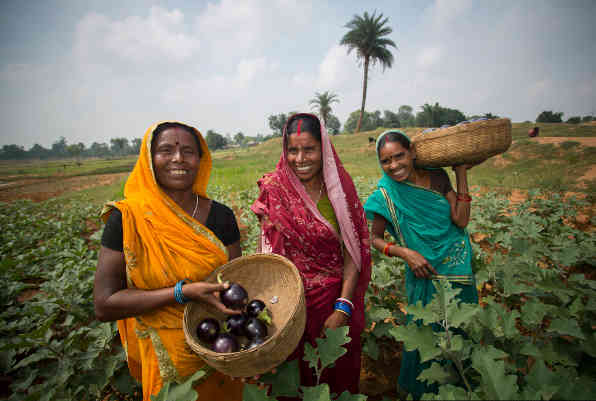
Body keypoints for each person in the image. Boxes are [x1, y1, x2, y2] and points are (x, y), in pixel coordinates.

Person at [94, 121, 244, 400]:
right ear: (149, 160)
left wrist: (248, 345)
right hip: (167, 364)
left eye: (188, 151)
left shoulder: (221, 217)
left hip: (220, 349)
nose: (178, 158)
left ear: (200, 160)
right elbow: (104, 304)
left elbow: (237, 289)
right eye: (166, 150)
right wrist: (181, 293)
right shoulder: (127, 220)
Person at [251, 113, 372, 396]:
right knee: (291, 381)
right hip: (289, 307)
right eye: (292, 150)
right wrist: (272, 311)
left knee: (335, 378)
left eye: (309, 149)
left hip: (333, 304)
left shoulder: (339, 192)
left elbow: (352, 252)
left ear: (323, 150)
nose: (300, 158)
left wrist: (343, 306)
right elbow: (269, 254)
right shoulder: (274, 190)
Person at [363, 130, 479, 399]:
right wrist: (405, 253)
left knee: (459, 332)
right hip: (422, 272)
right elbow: (374, 238)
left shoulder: (438, 177)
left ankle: (460, 392)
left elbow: (460, 221)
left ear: (412, 153)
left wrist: (461, 173)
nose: (394, 166)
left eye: (399, 156)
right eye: (386, 161)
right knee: (425, 337)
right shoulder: (385, 194)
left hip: (457, 267)